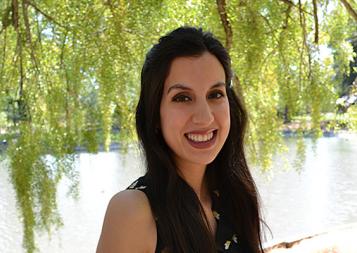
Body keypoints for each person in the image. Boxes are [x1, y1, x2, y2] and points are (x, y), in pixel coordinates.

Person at [96, 26, 266, 253]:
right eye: (182, 98)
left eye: (215, 94)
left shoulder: (235, 197)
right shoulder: (132, 212)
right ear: (155, 114)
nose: (205, 117)